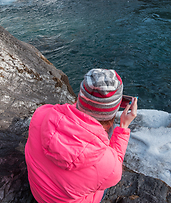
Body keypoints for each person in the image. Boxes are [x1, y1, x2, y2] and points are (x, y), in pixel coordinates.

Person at [25, 68, 138, 202]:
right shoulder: (108, 166)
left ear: (80, 96)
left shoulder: (41, 114)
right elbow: (116, 168)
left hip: (38, 192)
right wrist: (123, 127)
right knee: (103, 184)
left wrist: (82, 107)